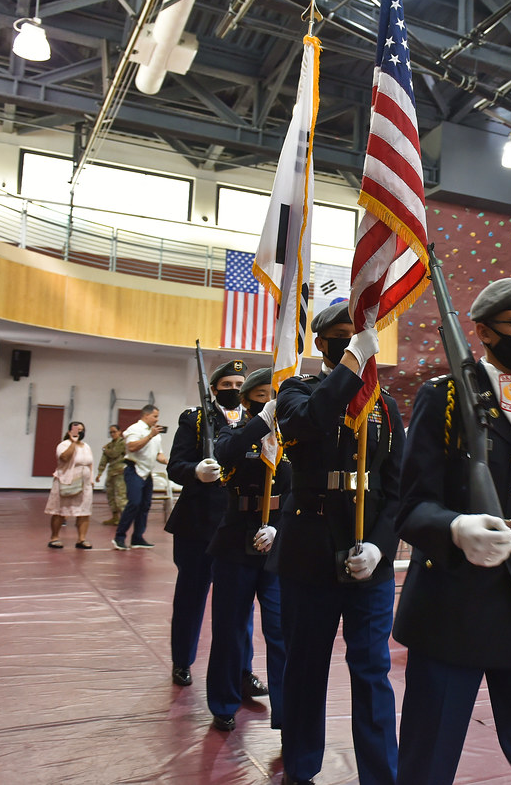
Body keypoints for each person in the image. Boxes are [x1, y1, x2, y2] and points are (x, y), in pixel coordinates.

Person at [394, 277, 511, 785]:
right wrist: (455, 527)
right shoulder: (445, 397)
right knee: (431, 751)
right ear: (484, 332)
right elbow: (410, 506)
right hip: (454, 596)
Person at [274, 303, 402, 785]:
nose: (351, 343)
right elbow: (311, 421)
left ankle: (381, 775)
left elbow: (396, 486)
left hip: (368, 559)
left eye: (359, 336)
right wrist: (352, 362)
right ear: (321, 340)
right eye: (342, 337)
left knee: (372, 672)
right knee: (305, 667)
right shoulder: (295, 391)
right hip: (310, 550)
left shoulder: (385, 406)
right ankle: (301, 768)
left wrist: (381, 547)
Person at [164, 359, 260, 692]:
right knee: (191, 594)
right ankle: (182, 660)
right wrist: (195, 472)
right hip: (198, 523)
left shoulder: (253, 421)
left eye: (239, 386)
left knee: (239, 603)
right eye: (227, 385)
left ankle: (243, 669)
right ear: (214, 387)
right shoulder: (195, 420)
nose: (233, 390)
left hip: (236, 523)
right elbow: (175, 466)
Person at [208, 367, 288, 732]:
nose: (269, 400)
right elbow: (225, 452)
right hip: (235, 542)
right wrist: (263, 422)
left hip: (277, 543)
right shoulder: (235, 428)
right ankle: (224, 702)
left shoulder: (294, 436)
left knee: (281, 631)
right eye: (262, 396)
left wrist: (281, 528)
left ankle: (287, 710)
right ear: (249, 400)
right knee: (229, 628)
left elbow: (301, 488)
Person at [113, 404, 168, 550]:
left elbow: (158, 454)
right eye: (155, 416)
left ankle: (137, 537)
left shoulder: (155, 434)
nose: (157, 419)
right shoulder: (134, 429)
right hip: (134, 470)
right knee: (134, 503)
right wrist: (150, 435)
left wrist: (169, 461)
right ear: (146, 415)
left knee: (145, 505)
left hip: (147, 472)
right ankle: (119, 536)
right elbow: (132, 447)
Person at [45, 421, 95, 549]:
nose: (80, 432)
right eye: (77, 430)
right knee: (60, 510)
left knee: (84, 511)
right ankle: (54, 537)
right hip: (66, 481)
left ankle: (81, 539)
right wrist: (73, 442)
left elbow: (90, 464)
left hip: (84, 484)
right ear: (70, 432)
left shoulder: (86, 446)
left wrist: (92, 479)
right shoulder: (64, 445)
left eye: (82, 430)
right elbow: (64, 458)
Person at [96, 425, 127, 526]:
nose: (113, 434)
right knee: (111, 496)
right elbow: (103, 460)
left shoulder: (123, 443)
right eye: (111, 432)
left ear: (119, 432)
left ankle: (124, 518)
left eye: (114, 432)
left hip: (120, 473)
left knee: (121, 496)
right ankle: (115, 517)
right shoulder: (109, 445)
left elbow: (114, 453)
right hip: (111, 473)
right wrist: (100, 473)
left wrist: (105, 450)